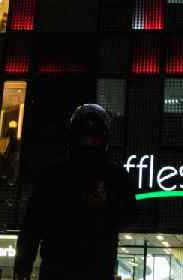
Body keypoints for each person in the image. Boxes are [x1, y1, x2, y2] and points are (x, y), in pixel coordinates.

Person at [14, 104, 136, 280]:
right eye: (85, 138)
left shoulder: (54, 175)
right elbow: (32, 225)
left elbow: (31, 227)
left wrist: (23, 267)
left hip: (66, 268)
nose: (89, 144)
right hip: (86, 268)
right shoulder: (115, 175)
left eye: (93, 139)